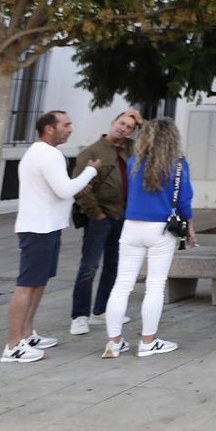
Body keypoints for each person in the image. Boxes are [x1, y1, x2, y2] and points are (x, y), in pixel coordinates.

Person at [2, 111, 97, 363]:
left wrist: (77, 184)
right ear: (49, 129)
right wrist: (90, 171)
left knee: (38, 283)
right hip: (38, 229)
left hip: (46, 227)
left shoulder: (39, 153)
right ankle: (13, 346)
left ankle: (26, 334)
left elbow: (59, 190)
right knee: (26, 285)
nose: (70, 129)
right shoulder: (49, 154)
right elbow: (65, 189)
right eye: (66, 125)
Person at [101, 117, 195, 358]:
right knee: (155, 286)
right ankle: (147, 341)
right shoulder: (179, 165)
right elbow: (184, 201)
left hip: (131, 226)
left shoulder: (134, 162)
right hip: (161, 229)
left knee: (122, 285)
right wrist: (190, 227)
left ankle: (114, 342)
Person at [68, 108, 141, 336]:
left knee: (113, 265)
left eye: (129, 127)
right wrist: (96, 214)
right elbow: (79, 187)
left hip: (122, 216)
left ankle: (101, 310)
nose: (123, 128)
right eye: (121, 123)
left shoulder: (131, 149)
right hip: (100, 217)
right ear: (112, 122)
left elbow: (155, 140)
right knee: (89, 266)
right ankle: (79, 316)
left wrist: (142, 121)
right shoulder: (92, 152)